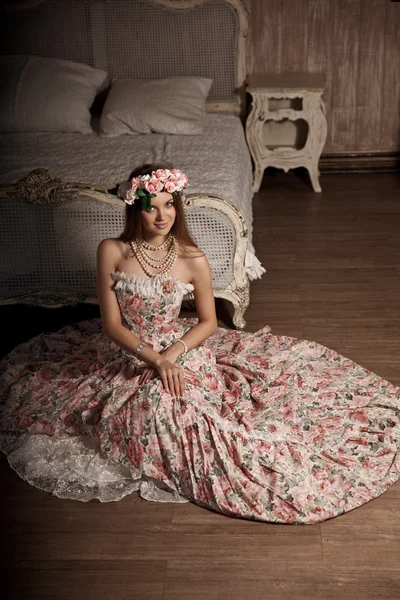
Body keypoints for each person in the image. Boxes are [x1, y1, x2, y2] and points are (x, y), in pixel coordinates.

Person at [0, 164, 399, 524]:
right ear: (135, 210)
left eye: (169, 205)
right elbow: (111, 325)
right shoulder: (112, 250)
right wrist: (154, 360)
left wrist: (173, 354)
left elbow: (207, 322)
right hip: (127, 352)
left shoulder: (193, 257)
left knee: (186, 409)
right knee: (149, 406)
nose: (162, 216)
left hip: (182, 349)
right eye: (152, 207)